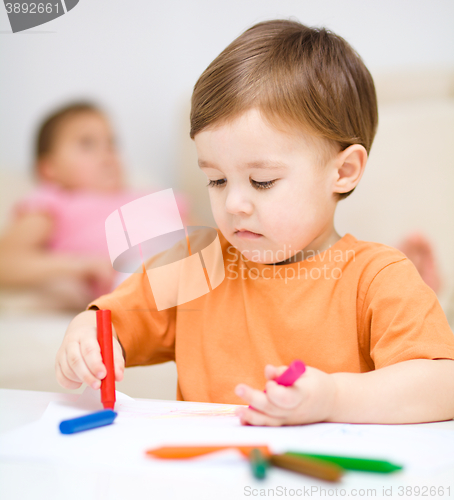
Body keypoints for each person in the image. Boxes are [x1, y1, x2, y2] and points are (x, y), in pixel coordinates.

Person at [55, 20, 454, 425]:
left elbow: (442, 386)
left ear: (344, 171)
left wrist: (334, 398)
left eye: (262, 181)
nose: (234, 203)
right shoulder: (200, 263)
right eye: (216, 179)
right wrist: (87, 335)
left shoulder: (376, 278)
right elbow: (113, 322)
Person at [0, 102, 189, 311]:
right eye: (87, 144)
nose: (107, 154)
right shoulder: (55, 201)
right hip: (137, 279)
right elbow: (5, 261)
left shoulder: (152, 195)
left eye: (112, 143)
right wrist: (79, 265)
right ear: (49, 168)